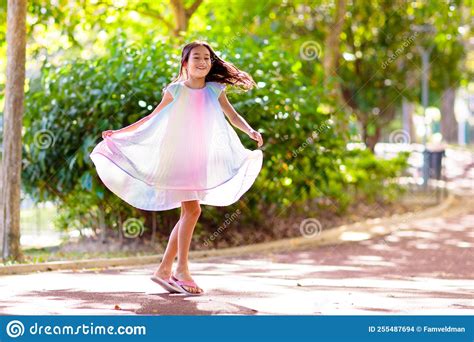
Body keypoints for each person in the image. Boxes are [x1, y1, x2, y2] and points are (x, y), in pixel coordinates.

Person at [90, 41, 264, 295]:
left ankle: (164, 270)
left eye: (207, 57)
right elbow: (152, 118)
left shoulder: (215, 90)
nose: (202, 62)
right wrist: (120, 133)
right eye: (196, 57)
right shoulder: (176, 91)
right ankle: (181, 270)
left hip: (200, 159)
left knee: (190, 213)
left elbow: (232, 116)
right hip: (177, 158)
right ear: (185, 63)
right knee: (192, 211)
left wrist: (249, 130)